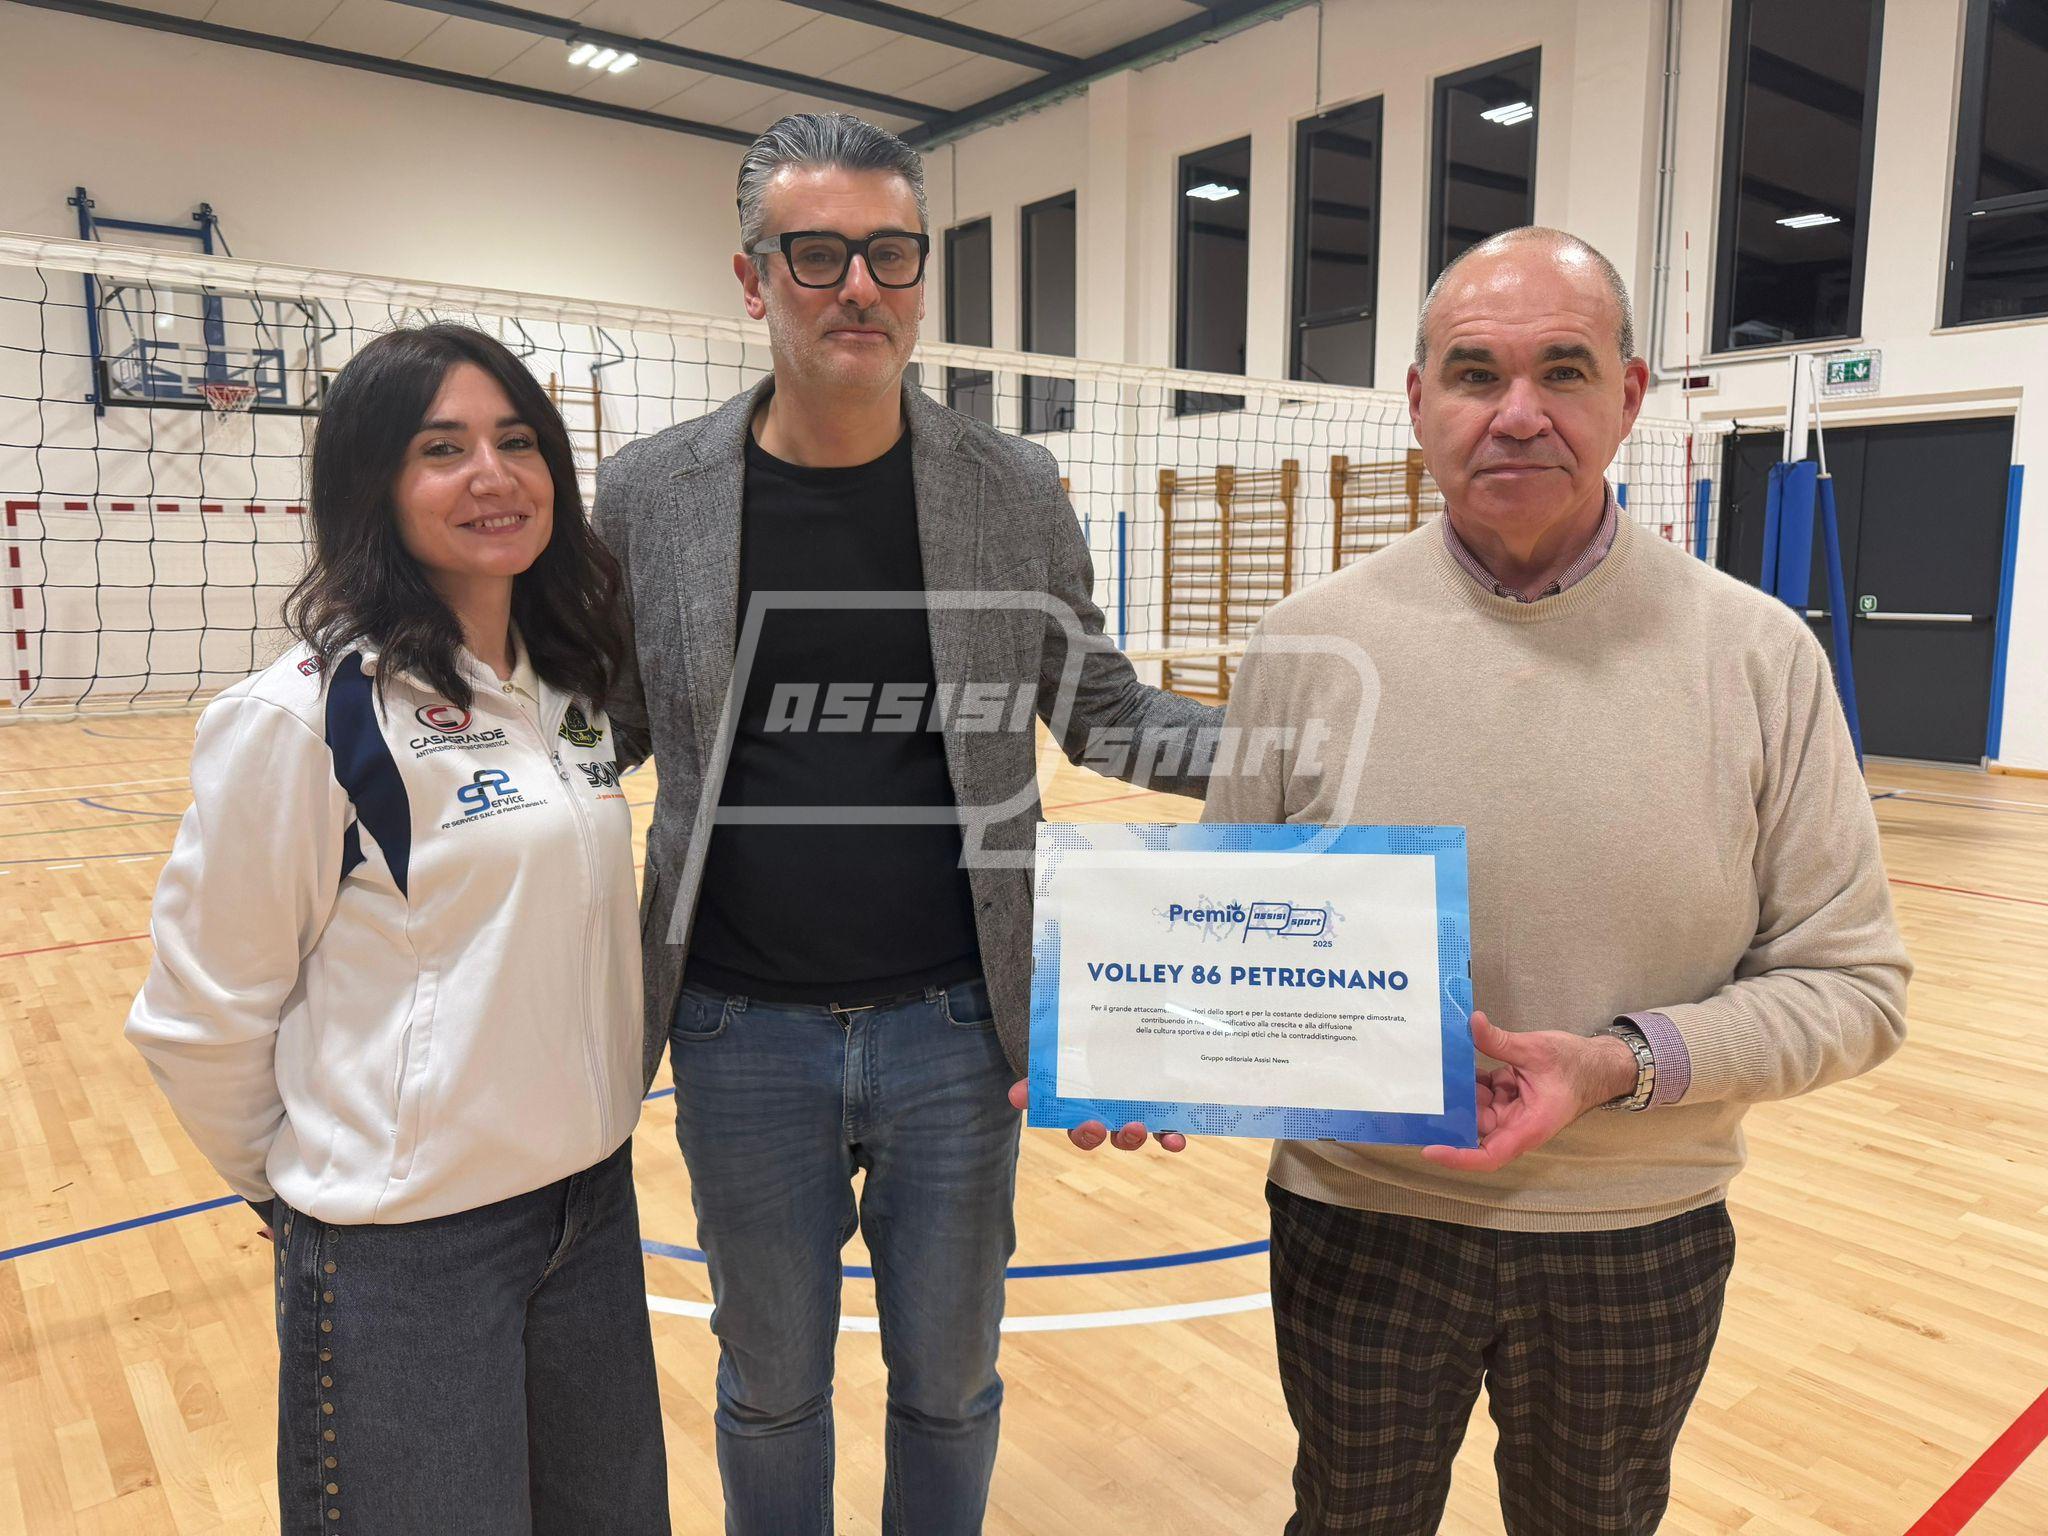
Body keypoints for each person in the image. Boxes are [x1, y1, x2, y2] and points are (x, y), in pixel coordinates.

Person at [1202, 227, 1910, 1534]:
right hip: (1360, 1218)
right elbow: (1221, 944)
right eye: (1475, 373)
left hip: (1634, 1228)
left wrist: (1614, 1065)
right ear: (1418, 400)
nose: (1517, 413)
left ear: (1628, 396)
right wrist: (1143, 1056)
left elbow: (1855, 989)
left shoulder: (1759, 657)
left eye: (1563, 371)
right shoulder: (1304, 647)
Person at [592, 111, 1216, 1535]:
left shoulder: (1013, 486)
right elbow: (605, 728)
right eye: (817, 255)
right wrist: (431, 746)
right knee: (769, 1391)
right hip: (738, 1031)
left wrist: (1291, 758)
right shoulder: (648, 495)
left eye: (891, 253)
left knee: (949, 1387)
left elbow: (1100, 710)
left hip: (957, 1032)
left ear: (923, 274)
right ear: (753, 280)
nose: (859, 286)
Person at [125, 322, 668, 1535]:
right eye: (442, 448)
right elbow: (199, 1018)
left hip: (590, 1210)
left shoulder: (566, 688)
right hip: (407, 1255)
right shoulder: (304, 716)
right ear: (373, 483)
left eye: (516, 441)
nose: (493, 475)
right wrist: (324, 1196)